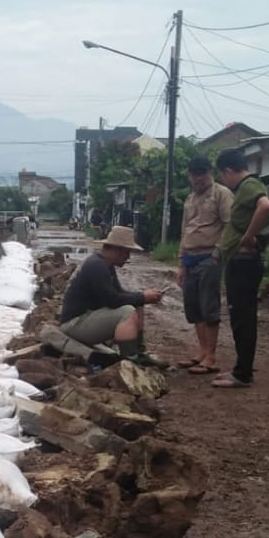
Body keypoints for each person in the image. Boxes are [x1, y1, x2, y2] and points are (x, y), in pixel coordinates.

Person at [210, 149, 269, 389]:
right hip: (243, 262)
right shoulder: (254, 185)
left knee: (242, 318)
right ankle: (240, 369)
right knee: (242, 317)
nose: (224, 182)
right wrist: (264, 235)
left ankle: (242, 374)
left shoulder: (247, 185)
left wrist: (250, 237)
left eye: (223, 176)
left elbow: (265, 206)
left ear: (229, 171)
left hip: (243, 263)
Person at [59, 225, 165, 366]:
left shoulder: (104, 264)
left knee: (136, 303)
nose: (128, 257)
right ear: (118, 250)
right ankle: (130, 359)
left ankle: (138, 352)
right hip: (74, 324)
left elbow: (119, 293)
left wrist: (141, 297)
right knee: (127, 312)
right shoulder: (97, 265)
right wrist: (143, 297)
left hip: (83, 319)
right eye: (127, 252)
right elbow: (112, 300)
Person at [177, 155, 234, 375]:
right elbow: (184, 231)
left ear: (210, 173)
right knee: (193, 308)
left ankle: (211, 356)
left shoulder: (221, 194)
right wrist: (181, 263)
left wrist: (218, 254)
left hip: (209, 257)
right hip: (190, 258)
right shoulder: (190, 198)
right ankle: (201, 351)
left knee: (209, 307)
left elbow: (230, 225)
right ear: (190, 175)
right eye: (194, 174)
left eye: (202, 173)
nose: (198, 178)